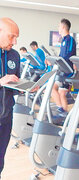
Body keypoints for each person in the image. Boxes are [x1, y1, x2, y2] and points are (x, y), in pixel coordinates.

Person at [0, 17, 20, 178]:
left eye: (16, 38)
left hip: (6, 118)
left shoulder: (14, 55)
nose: (14, 41)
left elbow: (14, 84)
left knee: (0, 162)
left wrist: (26, 89)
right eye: (11, 36)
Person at [51, 18, 76, 117]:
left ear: (63, 27)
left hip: (67, 71)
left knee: (53, 89)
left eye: (59, 26)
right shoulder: (64, 40)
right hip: (62, 70)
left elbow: (69, 55)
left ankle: (60, 108)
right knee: (61, 93)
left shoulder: (69, 39)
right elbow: (62, 55)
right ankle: (64, 115)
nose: (58, 28)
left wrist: (59, 60)